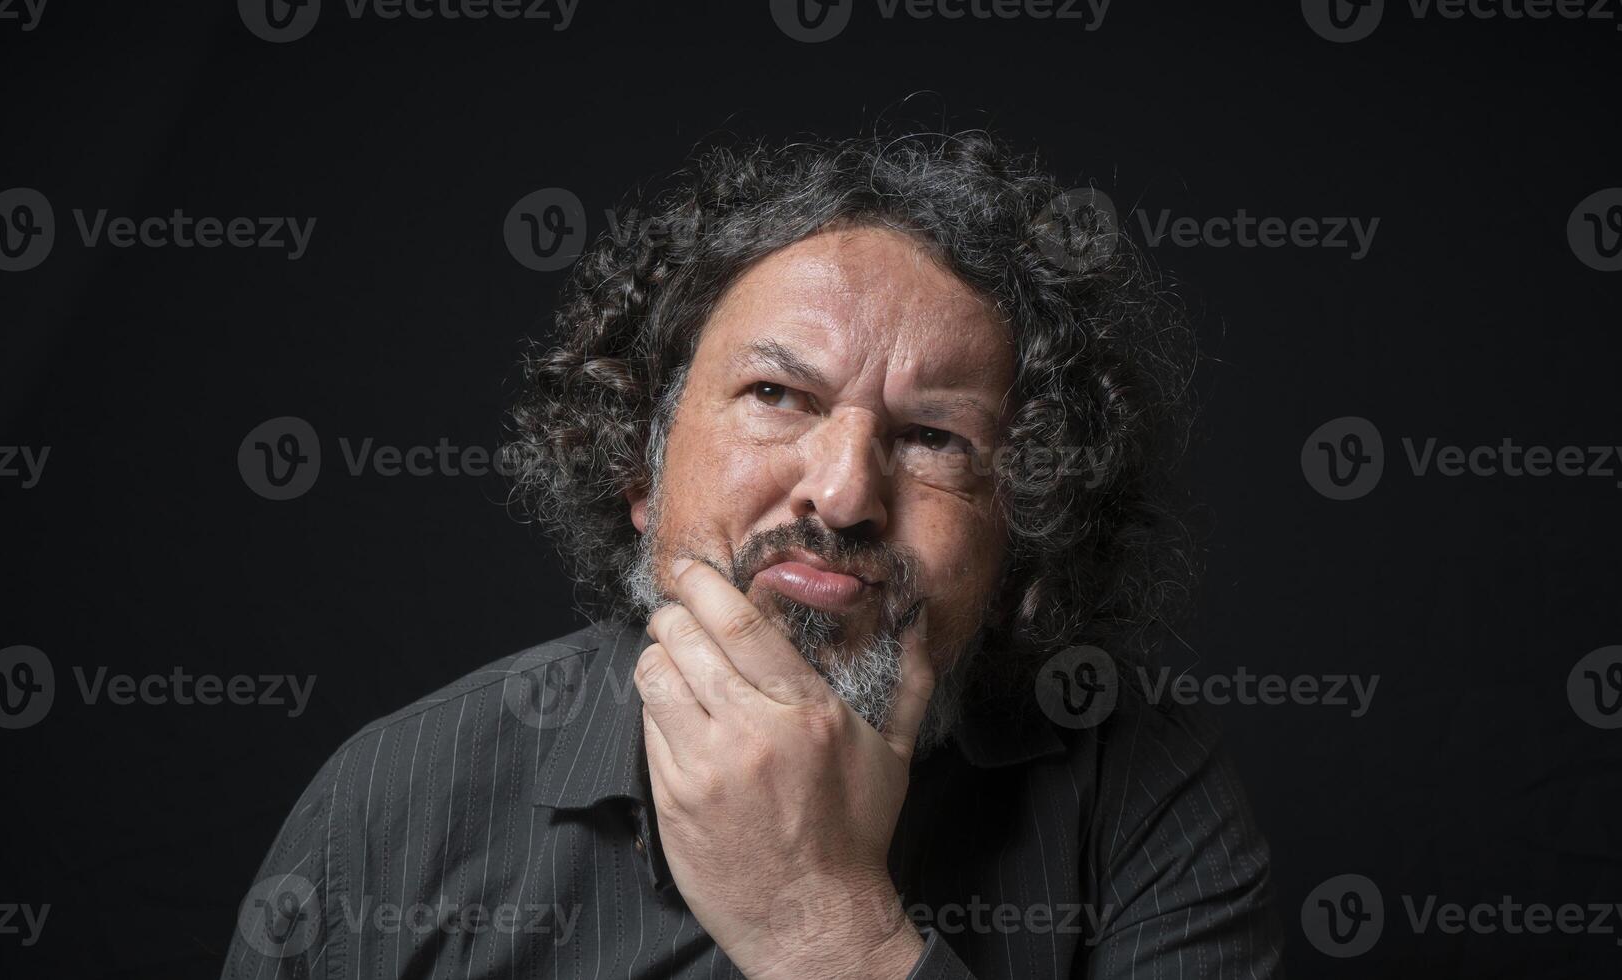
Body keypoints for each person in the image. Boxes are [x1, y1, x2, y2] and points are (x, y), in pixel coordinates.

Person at [223, 130, 1285, 978]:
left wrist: (822, 924)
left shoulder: (1137, 782)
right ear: (639, 464)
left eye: (934, 437)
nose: (844, 490)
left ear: (1027, 520)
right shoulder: (392, 802)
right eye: (777, 396)